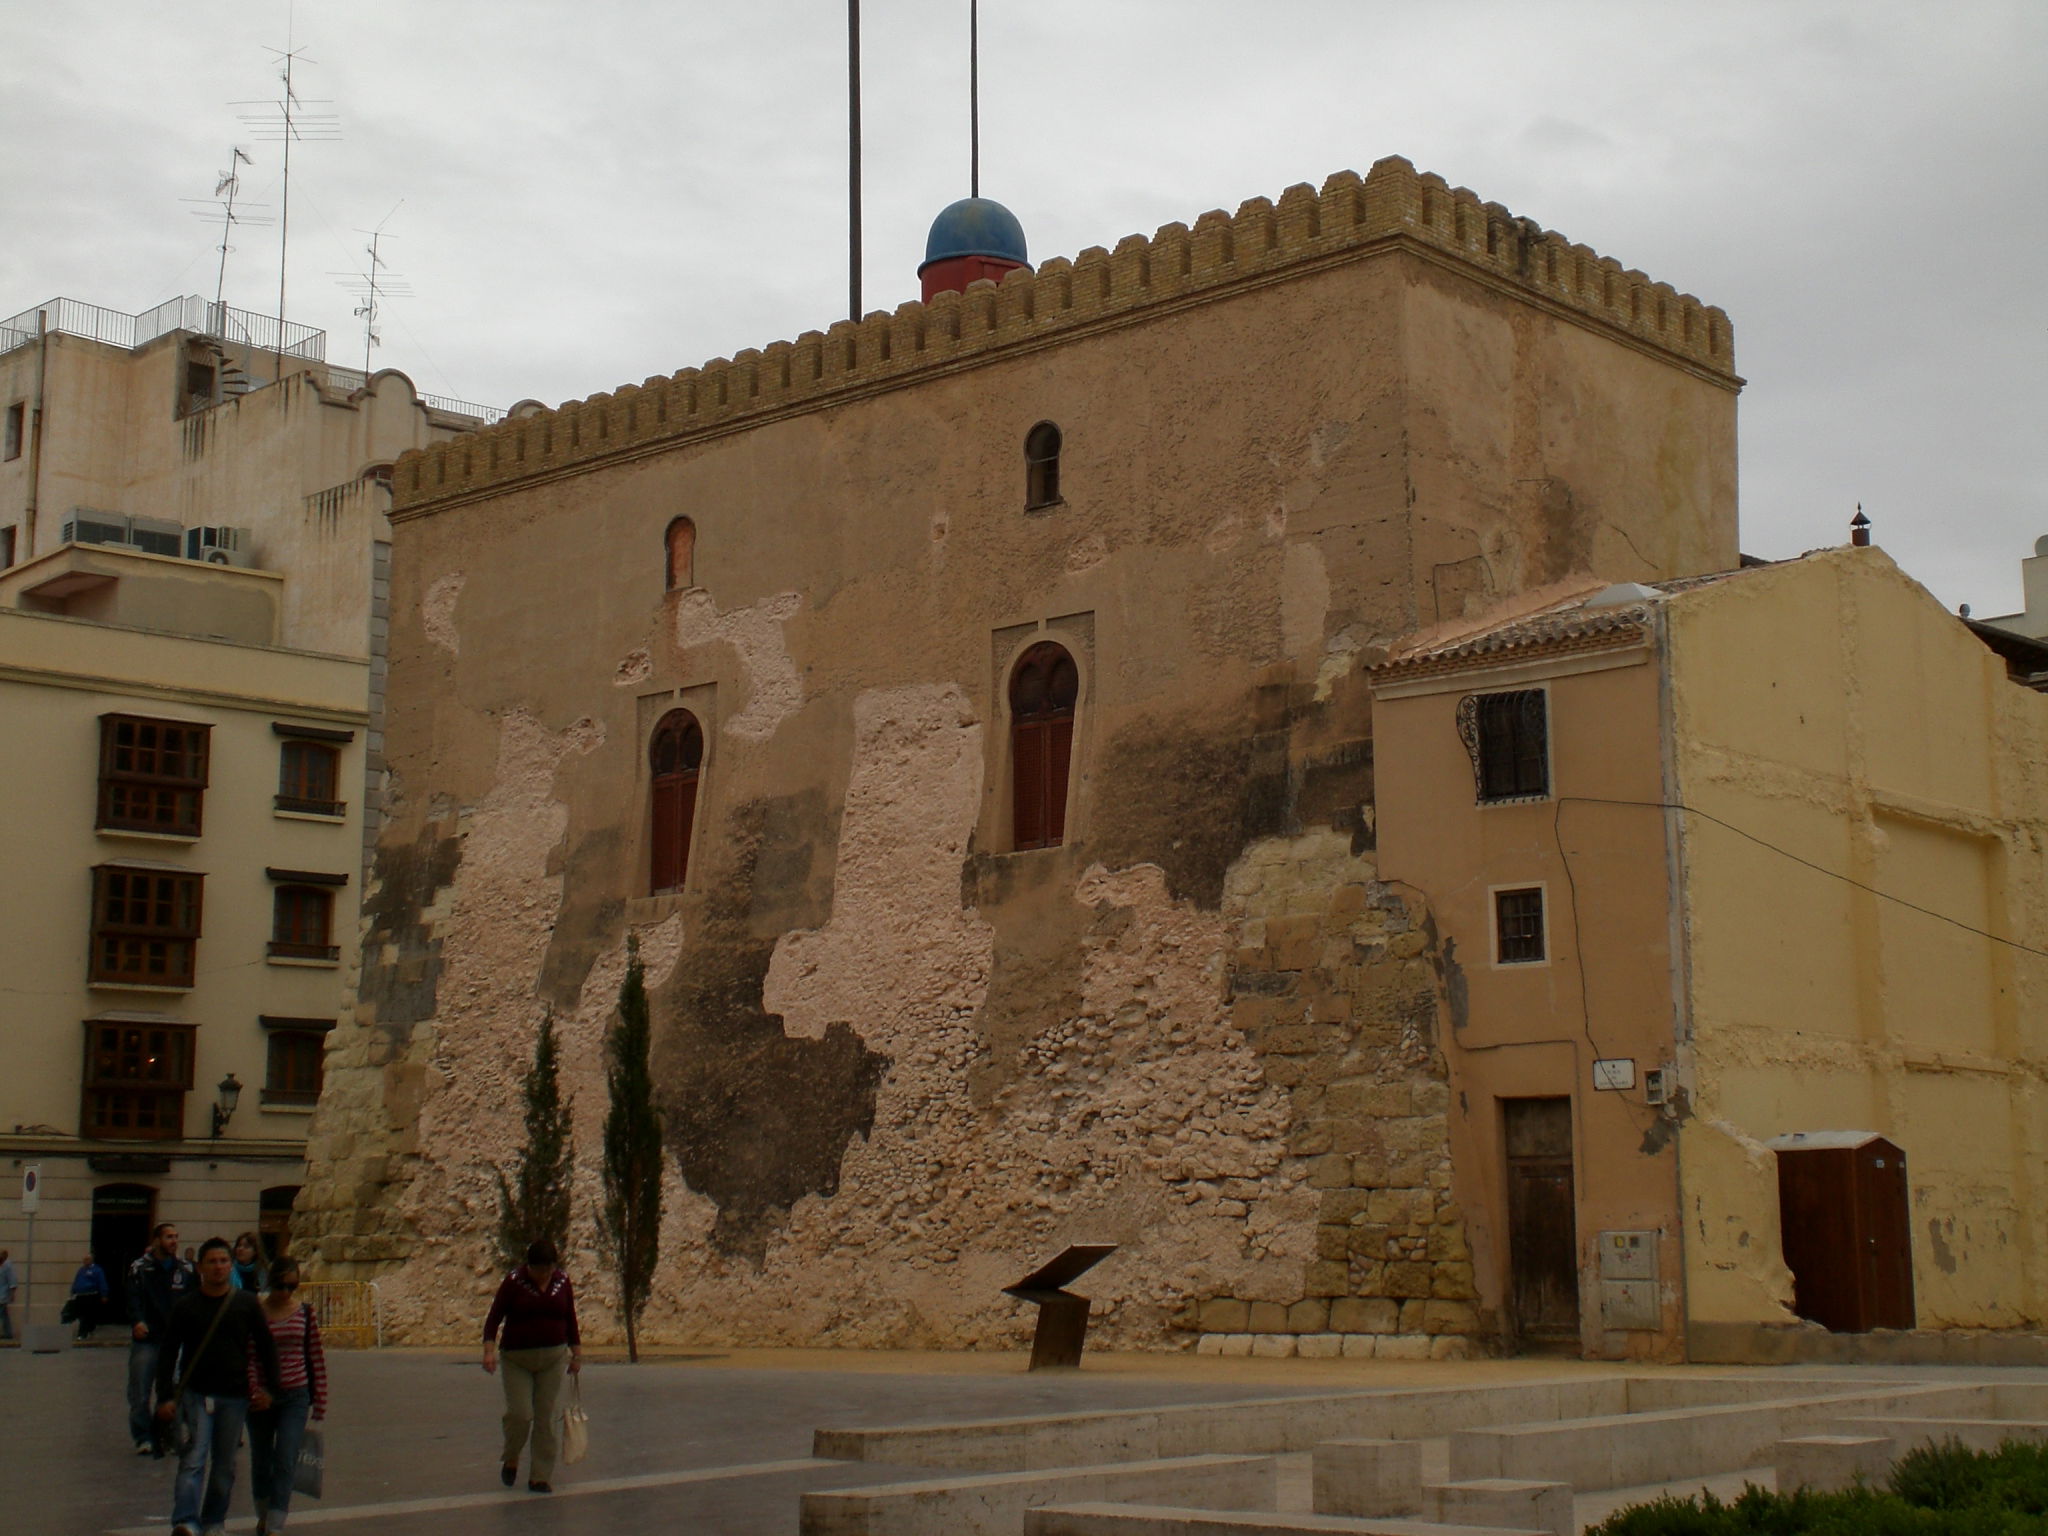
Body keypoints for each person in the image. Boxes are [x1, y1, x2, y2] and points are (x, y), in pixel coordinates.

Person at [155, 1237, 281, 1536]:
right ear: (200, 1267)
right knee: (194, 1459)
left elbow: (266, 1348)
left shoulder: (246, 1303)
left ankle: (214, 1521)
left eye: (223, 1261)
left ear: (230, 1265)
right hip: (196, 1394)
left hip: (234, 1396)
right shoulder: (186, 1306)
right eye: (211, 1261)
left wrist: (270, 1390)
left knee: (224, 1466)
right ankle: (185, 1520)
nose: (218, 1267)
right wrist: (165, 1397)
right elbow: (168, 1352)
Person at [482, 1238, 582, 1494]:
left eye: (549, 1269)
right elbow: (495, 1316)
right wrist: (489, 1351)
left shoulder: (562, 1281)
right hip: (517, 1358)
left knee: (546, 1418)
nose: (545, 1275)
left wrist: (576, 1353)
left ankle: (540, 1476)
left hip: (553, 1357)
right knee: (520, 1414)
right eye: (540, 1269)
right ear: (530, 1265)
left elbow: (570, 1315)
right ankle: (512, 1455)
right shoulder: (514, 1282)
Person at [247, 1257, 326, 1536]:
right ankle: (264, 1513)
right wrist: (256, 1390)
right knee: (261, 1459)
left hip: (295, 1394)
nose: (284, 1292)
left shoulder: (305, 1312)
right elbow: (250, 1355)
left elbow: (315, 1356)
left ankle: (275, 1524)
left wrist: (320, 1402)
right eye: (280, 1286)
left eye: (291, 1286)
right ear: (271, 1283)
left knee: (286, 1457)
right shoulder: (257, 1311)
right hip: (262, 1396)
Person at [127, 1223, 195, 1454]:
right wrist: (137, 1321)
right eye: (168, 1237)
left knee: (175, 1391)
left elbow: (194, 1300)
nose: (174, 1241)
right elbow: (132, 1297)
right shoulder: (140, 1268)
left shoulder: (186, 1269)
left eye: (176, 1236)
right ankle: (143, 1436)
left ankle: (170, 1434)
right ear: (157, 1240)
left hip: (176, 1340)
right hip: (148, 1339)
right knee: (140, 1391)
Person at [69, 1252, 110, 1339]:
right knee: (80, 1314)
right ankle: (86, 1330)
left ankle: (83, 1333)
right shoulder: (81, 1270)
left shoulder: (97, 1270)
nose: (85, 1261)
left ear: (91, 1260)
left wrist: (104, 1294)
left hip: (90, 1295)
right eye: (84, 1259)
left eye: (87, 1259)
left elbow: (102, 1282)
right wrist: (73, 1291)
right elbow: (76, 1281)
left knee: (86, 1315)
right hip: (80, 1295)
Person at [0, 1249, 16, 1342]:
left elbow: (12, 1281)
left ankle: (8, 1333)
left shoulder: (7, 1266)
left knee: (2, 1313)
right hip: (2, 1295)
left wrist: (12, 1294)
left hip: (3, 1295)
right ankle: (8, 1333)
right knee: (4, 1315)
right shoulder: (2, 1266)